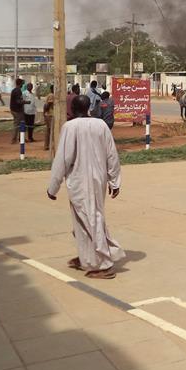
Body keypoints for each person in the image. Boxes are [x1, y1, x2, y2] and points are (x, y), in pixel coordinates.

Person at [47, 95, 125, 280]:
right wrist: (114, 180)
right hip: (98, 179)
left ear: (72, 109)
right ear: (89, 106)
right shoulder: (101, 125)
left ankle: (105, 263)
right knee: (83, 219)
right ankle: (88, 258)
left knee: (92, 219)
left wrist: (53, 187)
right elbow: (112, 155)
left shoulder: (70, 127)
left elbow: (62, 160)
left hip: (80, 181)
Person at [9, 78, 30, 144]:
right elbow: (18, 101)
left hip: (14, 109)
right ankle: (14, 139)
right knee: (18, 125)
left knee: (20, 124)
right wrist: (26, 102)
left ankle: (21, 138)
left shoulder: (14, 90)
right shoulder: (18, 91)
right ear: (20, 84)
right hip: (17, 110)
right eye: (22, 84)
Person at [44, 85, 55, 150]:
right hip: (50, 115)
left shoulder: (51, 95)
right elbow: (48, 105)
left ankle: (47, 145)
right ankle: (49, 145)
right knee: (50, 131)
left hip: (49, 115)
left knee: (49, 130)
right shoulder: (51, 95)